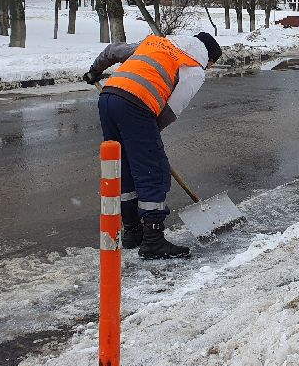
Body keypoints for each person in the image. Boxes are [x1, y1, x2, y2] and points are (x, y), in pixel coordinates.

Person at [83, 32, 223, 260]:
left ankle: (133, 232)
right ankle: (153, 241)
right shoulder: (193, 68)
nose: (208, 68)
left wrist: (94, 72)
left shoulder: (157, 43)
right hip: (136, 104)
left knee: (125, 168)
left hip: (109, 98)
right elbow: (170, 110)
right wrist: (146, 138)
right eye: (211, 64)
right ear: (207, 57)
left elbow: (112, 52)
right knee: (152, 170)